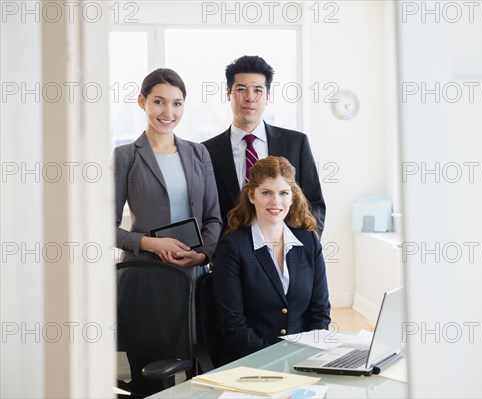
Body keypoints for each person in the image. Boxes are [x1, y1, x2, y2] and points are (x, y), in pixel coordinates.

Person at [213, 156, 331, 363]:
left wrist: (307, 356)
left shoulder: (308, 241)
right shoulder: (232, 247)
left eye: (283, 193)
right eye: (266, 193)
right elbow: (233, 325)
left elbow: (319, 312)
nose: (276, 201)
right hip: (251, 361)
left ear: (292, 197)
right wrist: (277, 361)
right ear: (251, 196)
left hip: (303, 358)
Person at [202, 55, 326, 235]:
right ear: (228, 93)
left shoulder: (296, 143)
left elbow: (314, 203)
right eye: (241, 89)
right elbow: (205, 212)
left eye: (258, 90)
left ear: (267, 96)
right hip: (229, 257)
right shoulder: (206, 151)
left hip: (286, 255)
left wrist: (304, 249)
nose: (250, 98)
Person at [113, 68, 222, 271]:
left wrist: (200, 256)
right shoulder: (124, 156)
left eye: (177, 104)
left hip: (192, 273)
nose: (168, 112)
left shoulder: (199, 153)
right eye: (158, 102)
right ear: (141, 101)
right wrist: (150, 243)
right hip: (143, 271)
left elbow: (213, 218)